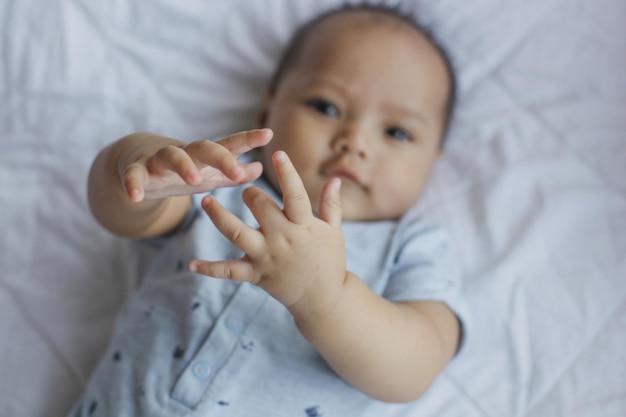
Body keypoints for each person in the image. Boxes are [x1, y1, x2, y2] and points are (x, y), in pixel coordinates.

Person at [72, 3, 465, 416]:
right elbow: (119, 211)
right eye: (326, 108)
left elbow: (415, 368)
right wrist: (136, 162)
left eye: (397, 132)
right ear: (267, 111)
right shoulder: (223, 186)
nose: (356, 141)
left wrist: (325, 296)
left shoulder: (414, 247)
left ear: (431, 163)